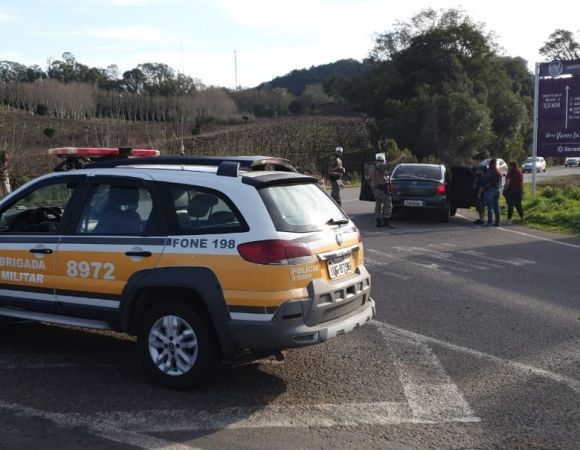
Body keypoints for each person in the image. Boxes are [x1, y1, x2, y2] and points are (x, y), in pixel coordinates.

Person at [368, 152, 405, 228]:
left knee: (378, 206)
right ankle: (386, 221)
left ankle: (378, 221)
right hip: (383, 190)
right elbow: (391, 164)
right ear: (382, 160)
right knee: (388, 206)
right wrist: (400, 158)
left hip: (376, 190)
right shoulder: (380, 166)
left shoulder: (371, 168)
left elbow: (369, 179)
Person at [482, 158, 501, 226]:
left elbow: (485, 180)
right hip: (497, 190)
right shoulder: (498, 172)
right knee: (496, 206)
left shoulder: (490, 171)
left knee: (490, 207)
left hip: (490, 190)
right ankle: (497, 222)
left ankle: (490, 222)